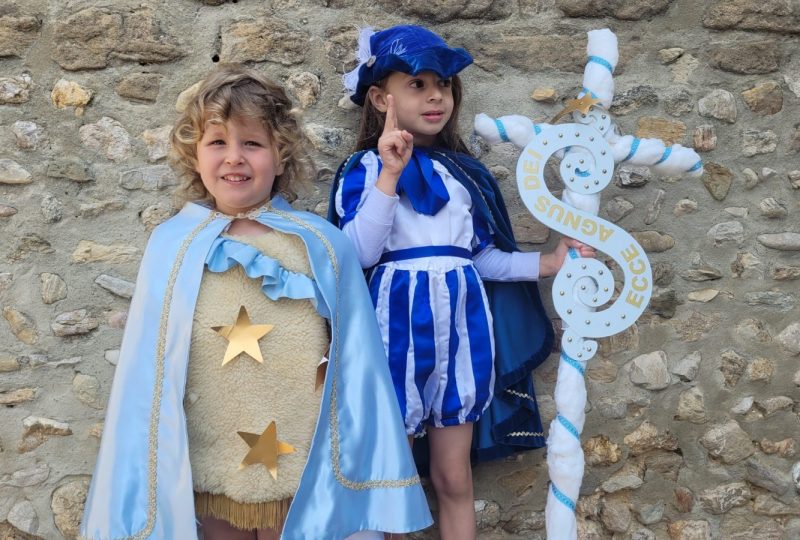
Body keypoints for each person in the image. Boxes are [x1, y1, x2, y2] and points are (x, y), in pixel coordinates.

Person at [81, 65, 431, 540]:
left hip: (302, 454)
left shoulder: (321, 245)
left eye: (252, 143)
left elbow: (357, 364)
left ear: (281, 155)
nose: (234, 158)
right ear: (195, 156)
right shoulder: (172, 245)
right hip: (211, 451)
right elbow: (148, 374)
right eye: (217, 143)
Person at [329, 26, 595, 539]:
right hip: (393, 335)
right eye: (418, 84)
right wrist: (389, 174)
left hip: (462, 332)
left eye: (444, 85)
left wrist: (545, 264)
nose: (435, 96)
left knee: (453, 475)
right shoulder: (362, 170)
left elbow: (484, 260)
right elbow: (358, 254)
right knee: (389, 478)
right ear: (381, 98)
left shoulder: (463, 174)